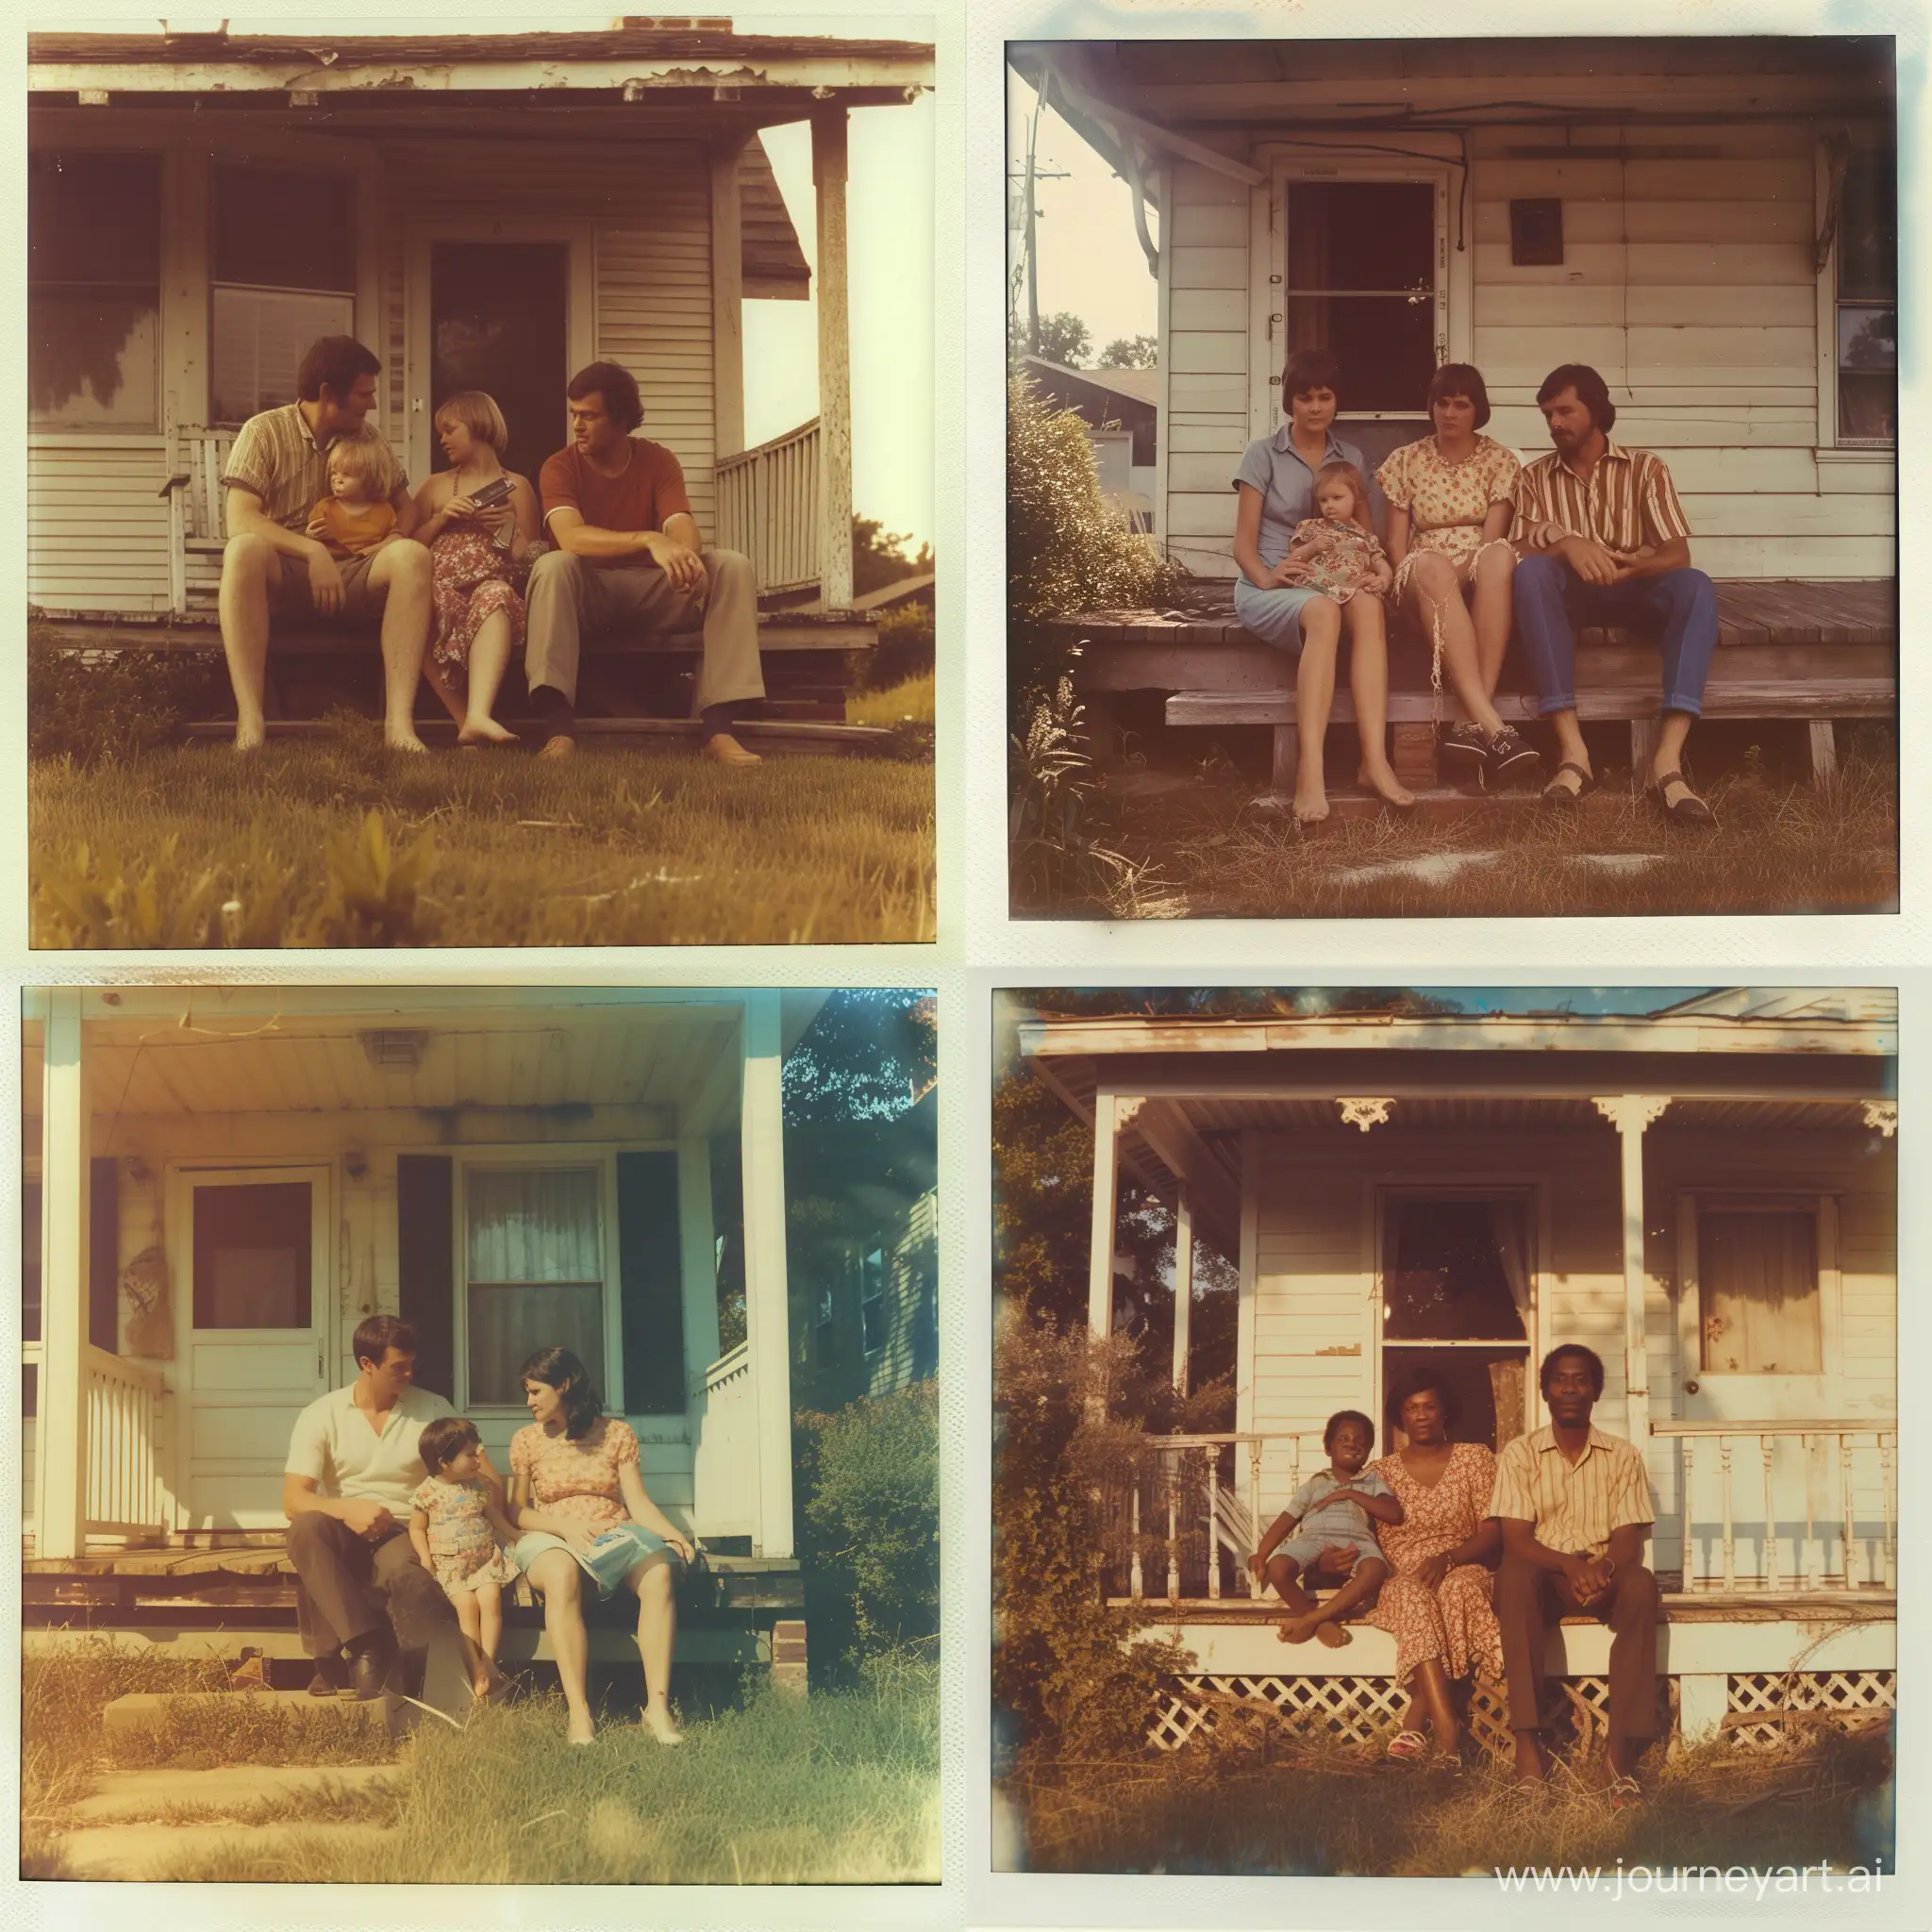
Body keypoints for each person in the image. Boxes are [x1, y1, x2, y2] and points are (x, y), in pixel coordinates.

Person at [525, 361, 764, 765]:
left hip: (653, 590)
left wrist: (685, 555)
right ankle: (559, 732)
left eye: (589, 416)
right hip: (589, 594)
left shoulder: (658, 460)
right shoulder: (559, 466)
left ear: (620, 418)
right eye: (574, 415)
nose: (577, 426)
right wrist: (648, 539)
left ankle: (719, 732)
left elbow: (681, 523)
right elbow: (571, 537)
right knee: (553, 565)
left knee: (731, 565)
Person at [1512, 363, 1720, 823]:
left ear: (1597, 411)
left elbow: (1676, 552)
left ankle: (1666, 765)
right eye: (1548, 414)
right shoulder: (1533, 478)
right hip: (1572, 595)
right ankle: (1573, 756)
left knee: (1696, 585)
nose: (1555, 424)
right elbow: (1517, 548)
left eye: (1565, 411)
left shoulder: (1645, 468)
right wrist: (1568, 543)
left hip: (1636, 588)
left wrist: (1634, 566)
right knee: (1530, 575)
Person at [218, 336, 432, 754]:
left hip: (357, 571)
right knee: (243, 550)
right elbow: (240, 519)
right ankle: (251, 721)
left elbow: (406, 507)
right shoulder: (263, 431)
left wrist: (391, 539)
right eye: (364, 394)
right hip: (289, 573)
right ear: (328, 394)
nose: (371, 404)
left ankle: (400, 727)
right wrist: (312, 551)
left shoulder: (367, 439)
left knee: (413, 556)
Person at [1231, 347, 1414, 823]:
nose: (1315, 407)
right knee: (1323, 611)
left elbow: (1367, 534)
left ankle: (1373, 761)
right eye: (1304, 397)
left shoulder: (1349, 456)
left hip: (1340, 582)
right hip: (1275, 584)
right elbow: (1243, 545)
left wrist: (1379, 572)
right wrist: (1267, 576)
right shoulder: (1262, 453)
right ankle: (1309, 772)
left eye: (1325, 396)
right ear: (1289, 401)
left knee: (1369, 607)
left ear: (1337, 401)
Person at [282, 1314, 505, 1704]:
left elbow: (489, 1479)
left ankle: (383, 1667)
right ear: (367, 1364)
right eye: (398, 1366)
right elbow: (293, 1499)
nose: (409, 1373)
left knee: (408, 1574)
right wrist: (347, 1509)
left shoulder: (432, 1408)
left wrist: (456, 1513)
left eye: (412, 1364)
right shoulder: (322, 1413)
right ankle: (367, 1645)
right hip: (343, 1525)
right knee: (304, 1529)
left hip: (407, 1527)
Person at [1491, 1343, 1661, 1801]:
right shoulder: (1521, 1453)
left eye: (1581, 1379)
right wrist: (1569, 1564)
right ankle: (1528, 1750)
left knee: (1642, 1585)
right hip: (1542, 1575)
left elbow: (1629, 1538)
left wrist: (1601, 1568)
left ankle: (1620, 1759)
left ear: (1595, 1391)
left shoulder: (1622, 1455)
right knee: (1512, 1575)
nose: (1570, 1388)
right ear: (1545, 1391)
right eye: (1560, 1379)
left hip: (1601, 1575)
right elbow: (1517, 1539)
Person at [508, 1346, 697, 1746]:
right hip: (551, 1536)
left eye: (536, 1392)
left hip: (612, 1533)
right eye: (527, 1393)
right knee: (560, 1573)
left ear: (563, 1386)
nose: (529, 1402)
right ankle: (580, 1714)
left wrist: (673, 1535)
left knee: (659, 1572)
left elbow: (638, 1502)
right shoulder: (526, 1440)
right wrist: (565, 1528)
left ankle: (657, 1709)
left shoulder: (616, 1434)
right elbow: (518, 1513)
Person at [1377, 362, 1540, 791]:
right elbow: (1396, 545)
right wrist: (1435, 573)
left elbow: (1492, 539)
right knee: (1429, 562)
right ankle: (1497, 728)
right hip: (1421, 574)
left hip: (1478, 571)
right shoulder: (1405, 460)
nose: (1450, 413)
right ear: (1431, 407)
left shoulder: (1500, 461)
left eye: (1461, 405)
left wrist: (1459, 571)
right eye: (1442, 403)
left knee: (1499, 556)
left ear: (1477, 410)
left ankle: (1471, 727)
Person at [1364, 1370, 1503, 1766]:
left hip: (1464, 1562)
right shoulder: (1380, 1472)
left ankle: (1415, 1721)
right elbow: (1353, 1534)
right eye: (1411, 1408)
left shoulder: (1474, 1458)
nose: (1421, 1415)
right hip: (1404, 1574)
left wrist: (1449, 1558)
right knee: (1411, 1593)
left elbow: (1492, 1533)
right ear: (1400, 1417)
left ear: (1445, 1413)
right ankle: (1447, 1727)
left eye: (1429, 1406)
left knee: (1458, 1589)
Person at [409, 391, 543, 748]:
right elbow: (407, 544)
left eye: (450, 429)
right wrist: (441, 518)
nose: (442, 439)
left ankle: (480, 713)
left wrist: (508, 529)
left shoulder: (517, 486)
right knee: (418, 603)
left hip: (493, 587)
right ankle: (466, 722)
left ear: (478, 426)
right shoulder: (435, 485)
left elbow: (534, 561)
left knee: (495, 595)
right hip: (442, 588)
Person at [1247, 1409, 1399, 1647]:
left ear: (1369, 1450)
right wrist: (1261, 1552)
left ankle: (1313, 1620)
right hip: (1313, 1539)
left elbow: (1394, 1513)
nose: (1352, 1444)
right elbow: (1288, 1517)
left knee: (1376, 1569)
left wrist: (1351, 1492)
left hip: (1357, 1540)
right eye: (1343, 1439)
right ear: (1328, 1448)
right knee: (1277, 1567)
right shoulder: (1316, 1483)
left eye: (1360, 1441)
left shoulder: (1372, 1482)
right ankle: (1321, 1624)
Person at [409, 1415, 523, 1701]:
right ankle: (476, 1667)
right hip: (451, 1567)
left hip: (484, 1562)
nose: (477, 1460)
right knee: (467, 1605)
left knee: (490, 1599)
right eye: (470, 1455)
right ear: (444, 1462)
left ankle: (488, 1662)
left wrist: (515, 1534)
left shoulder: (479, 1486)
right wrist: (425, 1558)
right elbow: (417, 1528)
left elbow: (493, 1515)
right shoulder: (427, 1492)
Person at [1276, 462, 1394, 604]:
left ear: (1355, 498)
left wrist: (1384, 578)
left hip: (1356, 588)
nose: (1330, 505)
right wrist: (1311, 547)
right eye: (1323, 500)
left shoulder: (1363, 535)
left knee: (1369, 601)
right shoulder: (1311, 527)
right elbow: (1294, 559)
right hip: (1321, 587)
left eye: (1337, 498)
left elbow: (1380, 563)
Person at [306, 437, 401, 560]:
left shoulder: (384, 510)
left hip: (371, 566)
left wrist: (373, 549)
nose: (336, 479)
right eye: (334, 473)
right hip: (332, 566)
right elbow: (313, 542)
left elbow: (396, 537)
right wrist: (309, 536)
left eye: (346, 474)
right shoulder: (324, 508)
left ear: (369, 478)